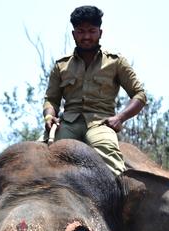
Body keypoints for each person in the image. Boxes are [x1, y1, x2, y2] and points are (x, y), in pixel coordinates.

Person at [43, 5, 147, 175]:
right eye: (81, 31)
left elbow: (139, 95)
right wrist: (49, 116)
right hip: (68, 123)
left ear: (100, 32)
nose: (86, 37)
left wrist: (119, 118)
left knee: (111, 163)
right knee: (40, 156)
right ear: (74, 34)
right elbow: (51, 99)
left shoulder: (116, 62)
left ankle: (122, 194)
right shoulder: (61, 65)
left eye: (91, 31)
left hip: (100, 123)